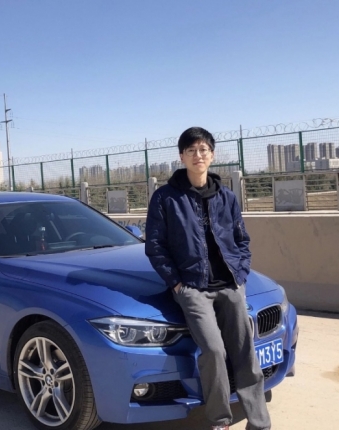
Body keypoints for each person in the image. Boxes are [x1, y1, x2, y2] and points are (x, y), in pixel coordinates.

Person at [145, 127, 270, 430]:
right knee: (214, 351)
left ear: (212, 155)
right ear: (182, 157)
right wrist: (177, 284)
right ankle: (219, 421)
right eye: (191, 150)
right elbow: (155, 245)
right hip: (192, 288)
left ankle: (259, 423)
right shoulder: (165, 198)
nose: (198, 155)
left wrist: (240, 275)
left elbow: (241, 240)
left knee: (244, 351)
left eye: (203, 150)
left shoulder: (226, 197)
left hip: (229, 286)